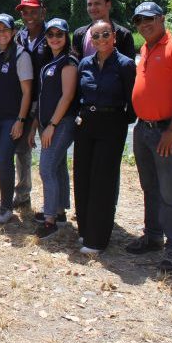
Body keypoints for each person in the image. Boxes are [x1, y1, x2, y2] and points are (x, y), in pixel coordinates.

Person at [126, 1, 172, 272]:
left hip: (166, 130)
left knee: (169, 192)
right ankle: (153, 236)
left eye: (149, 19)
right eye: (139, 20)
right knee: (149, 186)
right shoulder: (145, 48)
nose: (144, 24)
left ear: (161, 19)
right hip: (143, 128)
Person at [73, 20, 136, 254]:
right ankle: (85, 231)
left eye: (105, 34)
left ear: (114, 37)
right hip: (85, 123)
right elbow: (77, 95)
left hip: (112, 124)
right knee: (82, 176)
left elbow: (132, 101)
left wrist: (119, 121)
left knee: (103, 180)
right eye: (96, 36)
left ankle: (97, 240)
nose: (101, 39)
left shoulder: (126, 65)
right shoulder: (84, 64)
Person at [28, 18, 78, 240]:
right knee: (57, 168)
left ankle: (50, 221)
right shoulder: (50, 61)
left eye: (59, 34)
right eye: (50, 34)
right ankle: (58, 212)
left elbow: (67, 97)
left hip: (62, 123)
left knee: (46, 168)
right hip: (46, 123)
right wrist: (35, 126)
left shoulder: (68, 62)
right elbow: (42, 97)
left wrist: (52, 125)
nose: (55, 38)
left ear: (66, 37)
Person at [0, 13, 33, 225]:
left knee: (4, 160)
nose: (1, 34)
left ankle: (6, 208)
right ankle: (4, 202)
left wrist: (20, 120)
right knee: (2, 160)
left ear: (13, 32)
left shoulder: (21, 55)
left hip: (11, 119)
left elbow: (27, 92)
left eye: (5, 29)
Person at [13, 0, 48, 210]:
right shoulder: (20, 36)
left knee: (51, 155)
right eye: (25, 12)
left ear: (43, 12)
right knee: (22, 149)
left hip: (49, 102)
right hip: (25, 100)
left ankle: (55, 204)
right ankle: (23, 194)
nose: (29, 16)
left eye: (33, 11)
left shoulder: (53, 34)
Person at [71, 0, 136, 60]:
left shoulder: (123, 34)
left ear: (108, 5)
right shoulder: (78, 34)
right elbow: (75, 63)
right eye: (89, 4)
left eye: (97, 4)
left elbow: (130, 65)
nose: (92, 8)